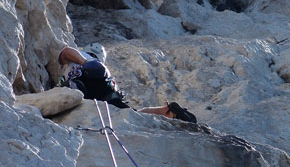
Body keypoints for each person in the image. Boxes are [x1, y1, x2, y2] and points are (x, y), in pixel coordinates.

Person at [57, 46, 197, 122]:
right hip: (107, 92)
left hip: (86, 82)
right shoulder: (104, 72)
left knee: (77, 89)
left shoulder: (84, 59)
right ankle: (165, 111)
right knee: (128, 113)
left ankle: (77, 90)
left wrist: (86, 62)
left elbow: (66, 52)